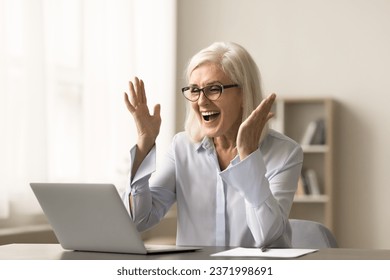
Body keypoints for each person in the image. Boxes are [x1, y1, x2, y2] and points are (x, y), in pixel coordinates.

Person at [122, 42, 303, 248]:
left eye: (213, 89)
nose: (201, 101)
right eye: (194, 90)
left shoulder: (285, 153)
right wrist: (144, 143)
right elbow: (138, 220)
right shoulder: (182, 147)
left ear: (243, 94)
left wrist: (249, 155)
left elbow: (267, 236)